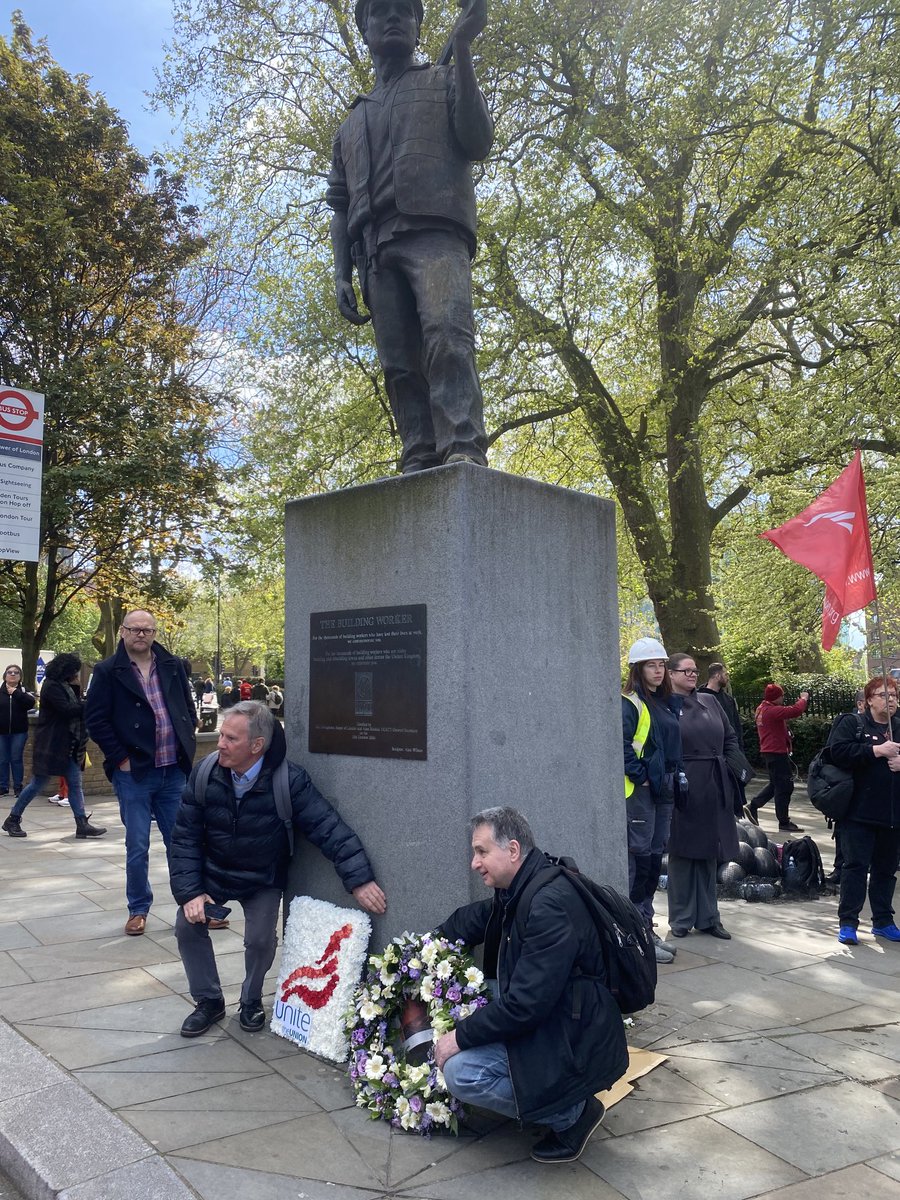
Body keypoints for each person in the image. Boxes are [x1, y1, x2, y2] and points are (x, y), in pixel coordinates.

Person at [326, 0, 493, 472]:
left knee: (447, 337)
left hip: (435, 233)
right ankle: (418, 452)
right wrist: (341, 271)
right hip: (375, 251)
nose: (394, 17)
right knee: (398, 364)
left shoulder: (441, 81)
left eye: (405, 10)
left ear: (420, 26)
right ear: (364, 29)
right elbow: (339, 205)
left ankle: (462, 443)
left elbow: (477, 140)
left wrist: (461, 46)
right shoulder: (349, 125)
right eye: (381, 11)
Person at [169, 701, 387, 1036]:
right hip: (213, 873)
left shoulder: (289, 781)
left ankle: (251, 999)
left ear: (257, 746)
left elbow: (328, 828)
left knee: (259, 940)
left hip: (262, 878)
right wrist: (190, 892)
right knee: (186, 925)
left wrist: (359, 880)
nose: (220, 744)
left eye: (230, 738)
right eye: (222, 735)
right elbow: (183, 837)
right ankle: (208, 1001)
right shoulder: (205, 772)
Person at [433, 807, 628, 1164]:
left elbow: (525, 1005)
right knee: (474, 993)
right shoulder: (521, 887)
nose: (474, 863)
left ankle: (571, 1115)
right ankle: (543, 1095)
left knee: (462, 1074)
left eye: (481, 852)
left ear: (512, 850)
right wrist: (428, 945)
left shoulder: (548, 904)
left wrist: (457, 1039)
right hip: (553, 1013)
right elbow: (481, 918)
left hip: (571, 1034)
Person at [85, 610, 205, 936]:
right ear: (123, 631)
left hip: (172, 771)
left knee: (181, 842)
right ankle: (138, 908)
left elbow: (186, 707)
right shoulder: (107, 671)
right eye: (135, 629)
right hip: (134, 773)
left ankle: (195, 904)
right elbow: (95, 719)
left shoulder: (173, 665)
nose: (141, 634)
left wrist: (188, 740)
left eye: (147, 630)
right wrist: (120, 757)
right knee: (137, 845)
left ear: (154, 633)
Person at [665, 653, 740, 940]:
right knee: (683, 852)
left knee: (710, 850)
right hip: (684, 783)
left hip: (715, 781)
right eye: (686, 671)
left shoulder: (710, 701)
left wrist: (735, 767)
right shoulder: (665, 704)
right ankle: (681, 917)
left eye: (695, 671)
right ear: (671, 674)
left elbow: (730, 737)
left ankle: (709, 917)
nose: (693, 675)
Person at [621, 637, 682, 965]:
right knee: (641, 863)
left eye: (661, 664)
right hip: (642, 792)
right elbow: (623, 742)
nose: (658, 671)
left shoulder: (667, 703)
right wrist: (641, 774)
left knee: (654, 858)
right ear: (638, 669)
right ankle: (637, 934)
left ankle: (646, 928)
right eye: (651, 665)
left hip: (663, 789)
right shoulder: (630, 702)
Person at [828, 676, 900, 945]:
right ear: (869, 700)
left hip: (893, 814)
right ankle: (848, 922)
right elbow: (837, 752)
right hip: (858, 812)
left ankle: (883, 920)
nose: (890, 699)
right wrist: (876, 751)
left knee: (885, 869)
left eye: (893, 695)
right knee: (855, 867)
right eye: (883, 695)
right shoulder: (853, 723)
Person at [3, 654, 105, 839]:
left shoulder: (64, 685)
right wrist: (92, 704)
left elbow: (74, 703)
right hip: (52, 744)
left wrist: (77, 688)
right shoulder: (52, 686)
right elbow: (67, 710)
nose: (75, 673)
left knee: (75, 784)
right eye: (73, 671)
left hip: (67, 744)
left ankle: (81, 824)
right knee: (38, 784)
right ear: (65, 669)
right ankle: (13, 818)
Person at [747, 683, 808, 832]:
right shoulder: (771, 711)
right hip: (776, 752)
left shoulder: (761, 708)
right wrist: (803, 699)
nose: (783, 698)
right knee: (785, 787)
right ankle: (783, 821)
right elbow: (795, 710)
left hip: (770, 751)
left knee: (775, 784)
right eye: (781, 695)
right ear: (776, 697)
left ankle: (753, 805)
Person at [0, 664, 35, 798]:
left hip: (19, 732)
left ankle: (17, 787)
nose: (13, 674)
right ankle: (3, 787)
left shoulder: (23, 692)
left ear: (20, 677)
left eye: (16, 673)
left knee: (16, 759)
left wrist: (16, 693)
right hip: (1, 732)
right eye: (10, 672)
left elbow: (30, 703)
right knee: (2, 759)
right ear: (5, 676)